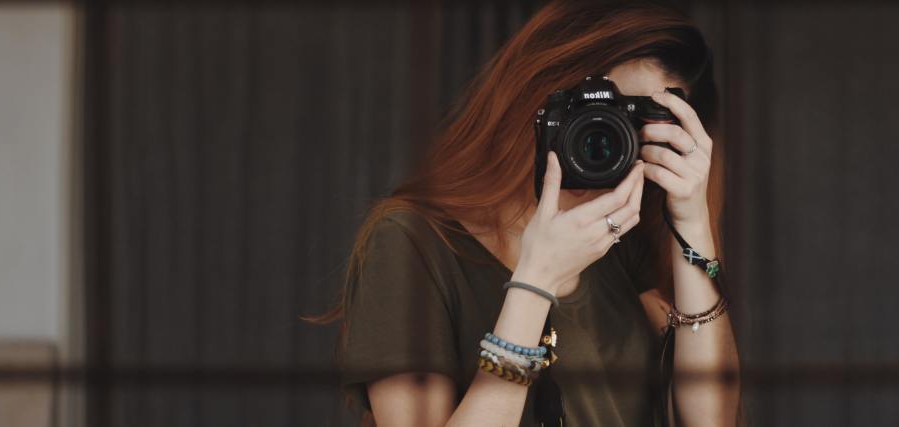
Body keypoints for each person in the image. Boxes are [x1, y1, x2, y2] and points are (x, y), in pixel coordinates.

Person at [311, 1, 740, 425]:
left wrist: (692, 223)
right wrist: (536, 283)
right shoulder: (412, 242)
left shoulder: (625, 244)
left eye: (631, 122)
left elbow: (709, 420)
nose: (605, 140)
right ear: (536, 95)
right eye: (592, 113)